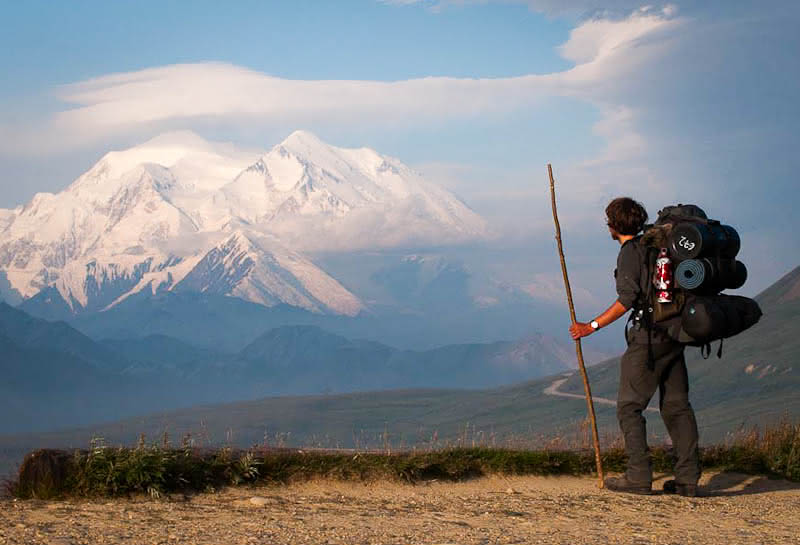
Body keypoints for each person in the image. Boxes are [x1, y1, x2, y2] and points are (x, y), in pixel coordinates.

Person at [569, 197, 700, 496]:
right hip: (675, 334)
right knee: (677, 407)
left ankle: (638, 477)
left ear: (613, 226)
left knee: (629, 407)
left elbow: (627, 300)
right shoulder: (660, 245)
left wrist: (590, 327)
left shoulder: (631, 252)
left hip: (648, 338)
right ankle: (687, 480)